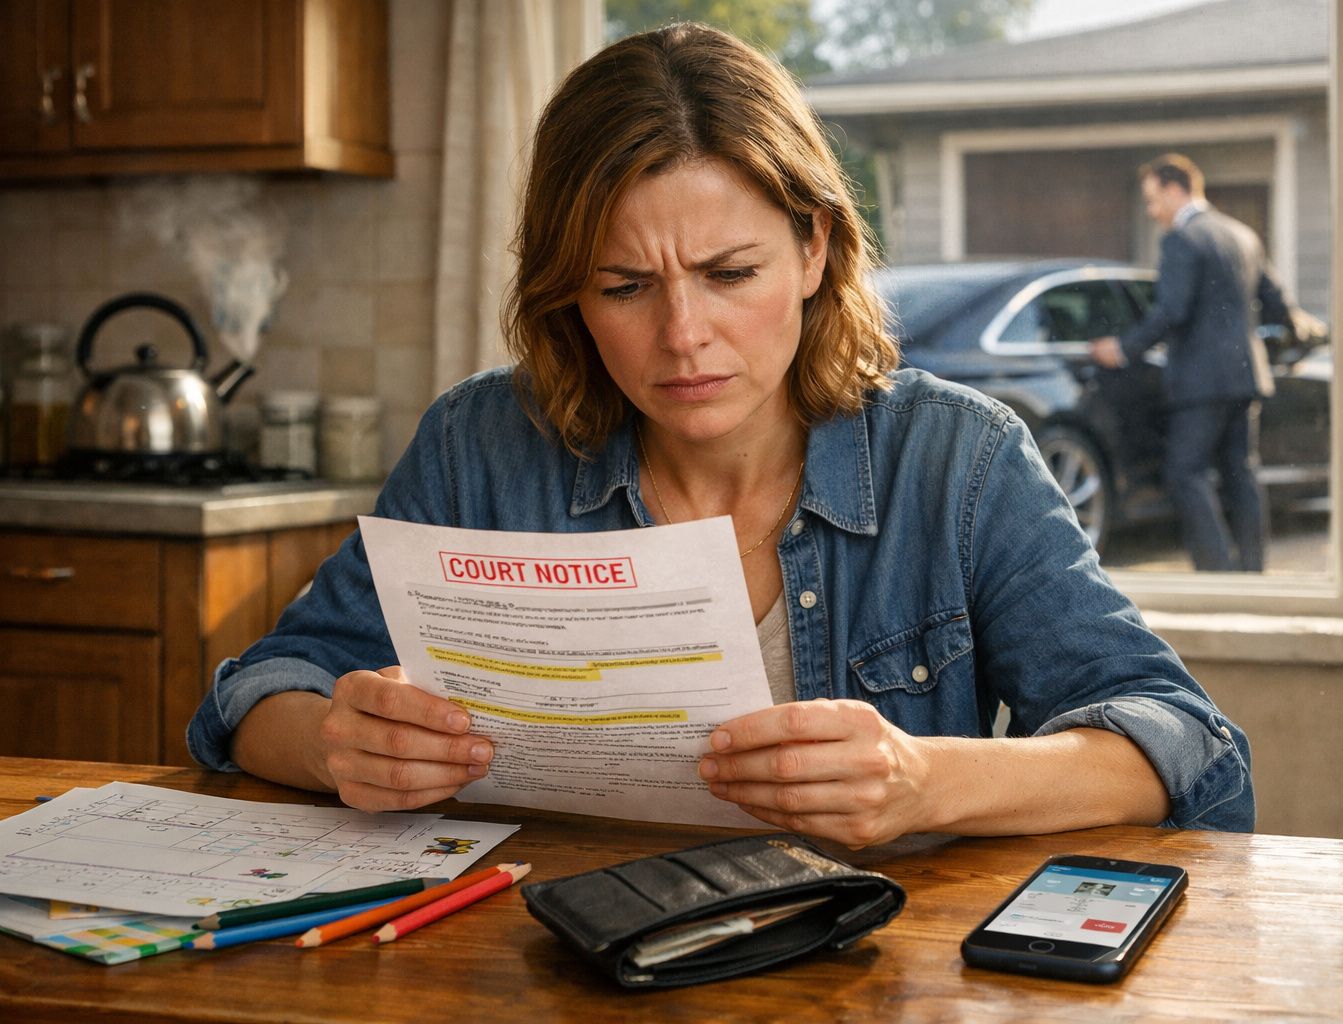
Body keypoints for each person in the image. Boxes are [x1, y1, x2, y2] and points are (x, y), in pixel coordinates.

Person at [188, 25, 1255, 847]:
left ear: (813, 249)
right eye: (624, 286)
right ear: (568, 296)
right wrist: (341, 746)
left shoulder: (958, 459)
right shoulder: (483, 442)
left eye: (730, 274)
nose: (682, 336)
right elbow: (257, 692)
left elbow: (1185, 747)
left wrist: (925, 779)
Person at [1090, 154, 1292, 572]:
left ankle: (1217, 572)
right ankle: (1253, 572)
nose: (1151, 212)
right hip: (1246, 374)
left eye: (1152, 200)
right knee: (1241, 474)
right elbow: (1278, 305)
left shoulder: (1183, 239)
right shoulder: (1243, 234)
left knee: (1185, 473)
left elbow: (1172, 311)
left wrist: (1123, 348)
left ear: (1174, 188)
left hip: (1201, 380)